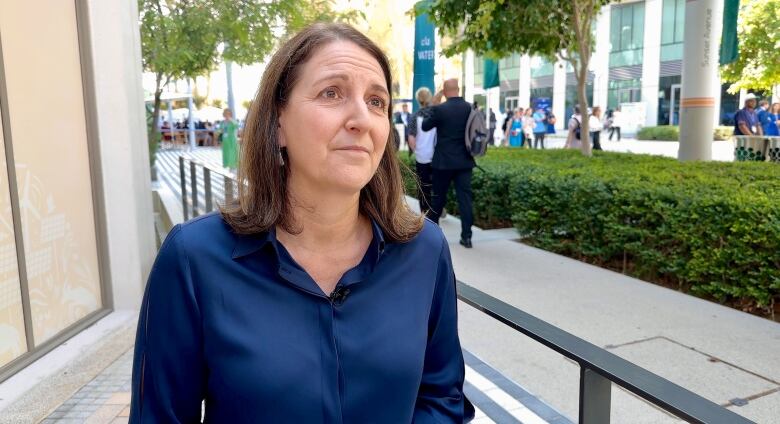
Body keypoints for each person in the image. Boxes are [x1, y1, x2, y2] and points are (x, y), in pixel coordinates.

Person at [129, 23, 473, 423]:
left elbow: (442, 396)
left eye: (377, 102)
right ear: (278, 123)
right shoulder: (193, 259)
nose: (362, 119)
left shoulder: (424, 251)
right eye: (332, 93)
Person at [422, 78, 476, 248]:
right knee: (465, 200)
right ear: (458, 89)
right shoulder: (470, 108)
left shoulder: (441, 109)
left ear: (444, 91)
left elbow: (424, 126)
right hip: (465, 162)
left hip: (443, 162)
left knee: (437, 199)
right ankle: (466, 237)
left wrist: (432, 104)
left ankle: (430, 237)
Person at [407, 87, 436, 216]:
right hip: (437, 157)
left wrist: (416, 149)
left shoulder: (415, 116)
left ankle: (425, 213)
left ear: (418, 99)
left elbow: (411, 140)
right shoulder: (436, 114)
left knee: (423, 187)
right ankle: (438, 208)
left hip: (421, 157)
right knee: (437, 185)